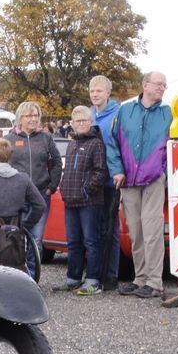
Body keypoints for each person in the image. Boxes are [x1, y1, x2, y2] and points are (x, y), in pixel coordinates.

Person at [107, 71, 172, 299]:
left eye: (165, 85)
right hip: (129, 179)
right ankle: (140, 278)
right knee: (136, 230)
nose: (162, 88)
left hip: (154, 179)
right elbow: (112, 142)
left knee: (152, 230)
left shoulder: (168, 113)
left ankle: (155, 281)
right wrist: (116, 170)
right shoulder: (125, 111)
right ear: (145, 85)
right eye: (158, 84)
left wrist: (164, 171)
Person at [52, 106, 108, 296]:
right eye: (77, 121)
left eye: (84, 120)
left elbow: (101, 171)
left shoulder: (96, 143)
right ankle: (73, 279)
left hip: (89, 202)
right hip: (71, 201)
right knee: (73, 242)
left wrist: (87, 189)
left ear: (90, 122)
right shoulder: (72, 143)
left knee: (91, 242)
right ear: (72, 124)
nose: (81, 124)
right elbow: (68, 170)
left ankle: (93, 281)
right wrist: (63, 187)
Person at [6, 101, 63, 278]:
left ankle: (31, 277)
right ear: (20, 118)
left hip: (40, 196)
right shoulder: (9, 140)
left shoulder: (46, 138)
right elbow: (0, 163)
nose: (33, 119)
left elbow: (56, 162)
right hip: (17, 197)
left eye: (36, 115)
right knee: (17, 237)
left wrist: (52, 186)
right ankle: (17, 276)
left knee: (36, 239)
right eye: (29, 115)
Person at [88, 74, 122, 288]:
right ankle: (95, 273)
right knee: (95, 228)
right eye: (92, 91)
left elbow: (121, 145)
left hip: (111, 179)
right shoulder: (89, 115)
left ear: (108, 93)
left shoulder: (118, 114)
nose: (95, 95)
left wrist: (119, 170)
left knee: (111, 228)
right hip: (94, 179)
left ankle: (111, 274)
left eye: (99, 91)